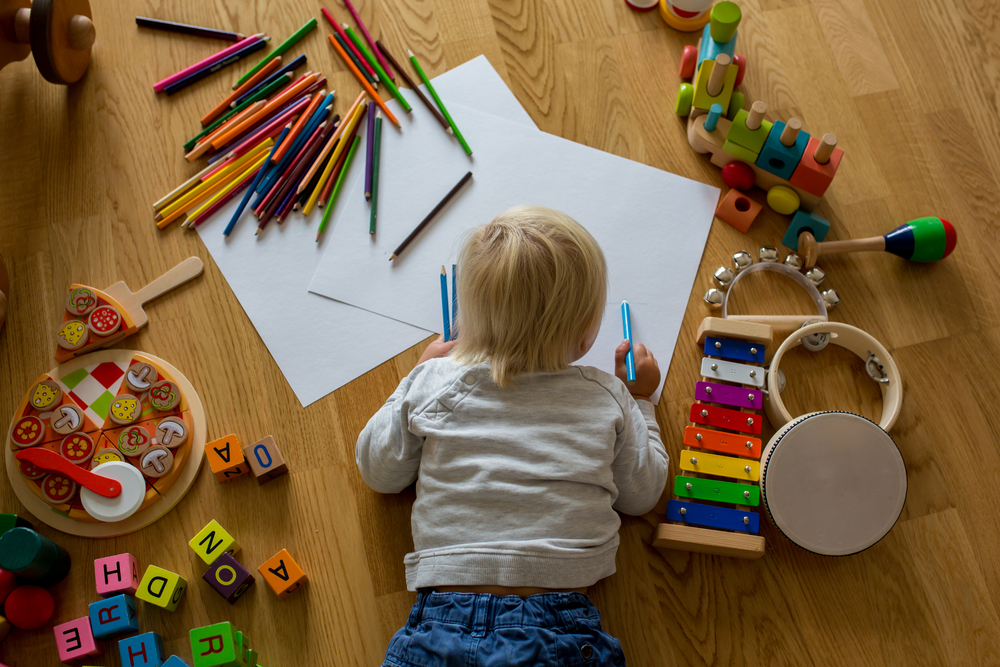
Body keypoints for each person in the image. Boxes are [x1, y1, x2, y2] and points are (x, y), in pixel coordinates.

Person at [357, 206, 667, 666]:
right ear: (585, 334)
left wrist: (417, 375)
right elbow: (644, 495)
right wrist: (643, 400)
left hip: (440, 624)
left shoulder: (436, 381)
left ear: (468, 319)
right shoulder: (607, 395)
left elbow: (377, 472)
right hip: (559, 630)